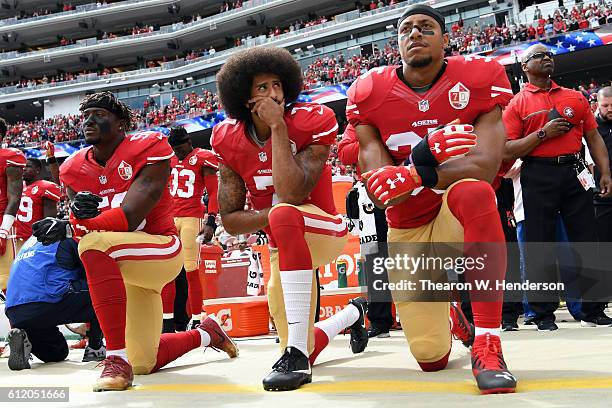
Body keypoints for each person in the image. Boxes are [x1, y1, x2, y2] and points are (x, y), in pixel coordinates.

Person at [347, 4, 517, 394]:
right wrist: (416, 164)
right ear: (397, 44)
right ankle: (450, 315)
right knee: (431, 359)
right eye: (406, 29)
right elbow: (380, 188)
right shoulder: (370, 91)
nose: (415, 34)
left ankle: (488, 342)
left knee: (474, 191)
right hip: (408, 224)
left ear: (445, 38)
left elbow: (486, 167)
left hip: (455, 211)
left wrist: (416, 170)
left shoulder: (478, 76)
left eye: (426, 27)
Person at [32, 92, 238, 392]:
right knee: (144, 361)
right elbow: (84, 226)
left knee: (91, 245)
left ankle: (114, 358)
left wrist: (71, 227)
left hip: (159, 248)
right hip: (125, 264)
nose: (89, 120)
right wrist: (72, 223)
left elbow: (129, 217)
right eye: (85, 114)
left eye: (99, 114)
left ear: (120, 124)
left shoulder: (149, 147)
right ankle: (207, 334)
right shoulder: (73, 168)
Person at [213, 47, 368, 391]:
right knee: (296, 340)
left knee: (285, 212)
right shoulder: (228, 138)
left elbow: (293, 193)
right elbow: (232, 220)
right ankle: (351, 315)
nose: (274, 94)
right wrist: (271, 217)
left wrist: (278, 128)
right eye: (262, 88)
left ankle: (296, 352)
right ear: (244, 97)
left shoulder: (311, 119)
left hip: (324, 229)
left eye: (277, 85)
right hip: (283, 242)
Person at [503, 45, 612, 329]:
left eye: (549, 55)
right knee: (540, 245)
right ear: (525, 66)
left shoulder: (573, 97)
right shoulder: (517, 104)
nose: (547, 58)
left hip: (575, 172)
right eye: (539, 56)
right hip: (537, 174)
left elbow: (593, 137)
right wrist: (542, 133)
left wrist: (605, 172)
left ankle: (592, 309)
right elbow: (507, 148)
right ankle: (541, 313)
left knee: (586, 241)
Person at [4, 237, 105, 370]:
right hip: (46, 301)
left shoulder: (31, 242)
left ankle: (22, 339)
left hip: (16, 312)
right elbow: (92, 273)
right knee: (104, 287)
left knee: (58, 352)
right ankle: (95, 347)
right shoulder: (68, 238)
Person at [339, 123, 394, 338]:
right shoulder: (358, 122)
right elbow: (344, 153)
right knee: (376, 260)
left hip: (406, 188)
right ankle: (380, 321)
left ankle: (420, 317)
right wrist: (372, 138)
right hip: (371, 197)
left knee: (413, 255)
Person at [161, 126, 219, 333]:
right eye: (173, 149)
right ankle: (167, 321)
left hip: (191, 218)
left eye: (179, 148)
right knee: (167, 271)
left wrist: (211, 221)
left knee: (191, 270)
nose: (177, 152)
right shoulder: (170, 160)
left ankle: (196, 318)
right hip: (169, 217)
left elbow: (213, 193)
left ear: (188, 142)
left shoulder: (203, 157)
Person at [14, 158, 61, 254]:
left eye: (28, 166)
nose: (24, 169)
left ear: (38, 170)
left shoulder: (46, 187)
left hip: (33, 240)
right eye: (22, 166)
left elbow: (49, 220)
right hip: (15, 239)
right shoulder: (17, 187)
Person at [0, 118, 26, 293]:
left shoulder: (10, 157)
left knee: (7, 283)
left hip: (3, 223)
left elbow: (14, 198)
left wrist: (3, 231)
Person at [592, 87, 612, 242]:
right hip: (602, 196)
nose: (610, 109)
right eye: (605, 105)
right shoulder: (590, 128)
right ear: (597, 104)